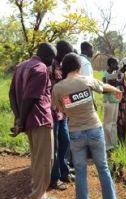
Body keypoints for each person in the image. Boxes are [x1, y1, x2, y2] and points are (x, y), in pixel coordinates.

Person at [52, 53, 120, 199]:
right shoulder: (86, 80)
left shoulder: (58, 88)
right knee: (102, 168)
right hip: (95, 130)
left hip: (75, 132)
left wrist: (70, 111)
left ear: (64, 68)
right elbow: (104, 87)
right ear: (78, 67)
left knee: (81, 172)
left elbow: (60, 109)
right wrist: (117, 89)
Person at [9, 43, 56, 199]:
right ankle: (38, 196)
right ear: (48, 56)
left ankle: (36, 189)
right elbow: (30, 97)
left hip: (29, 120)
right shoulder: (41, 68)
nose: (53, 61)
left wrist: (19, 119)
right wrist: (20, 121)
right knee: (44, 159)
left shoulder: (21, 66)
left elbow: (12, 95)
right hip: (40, 119)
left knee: (36, 157)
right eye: (53, 58)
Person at [49, 40, 74, 190]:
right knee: (55, 146)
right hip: (52, 112)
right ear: (60, 52)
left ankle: (64, 171)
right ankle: (55, 177)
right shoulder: (50, 65)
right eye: (66, 53)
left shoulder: (61, 66)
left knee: (65, 141)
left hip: (62, 113)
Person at [103, 57, 120, 150]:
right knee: (107, 124)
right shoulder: (105, 75)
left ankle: (113, 144)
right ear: (110, 64)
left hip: (115, 101)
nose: (117, 66)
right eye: (115, 64)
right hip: (109, 101)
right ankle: (107, 145)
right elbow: (103, 89)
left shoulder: (114, 74)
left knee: (113, 123)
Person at [117, 57, 126, 142]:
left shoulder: (124, 75)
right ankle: (121, 138)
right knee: (121, 120)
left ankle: (124, 137)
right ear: (124, 65)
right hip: (121, 102)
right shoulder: (119, 75)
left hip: (125, 101)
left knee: (124, 119)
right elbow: (120, 89)